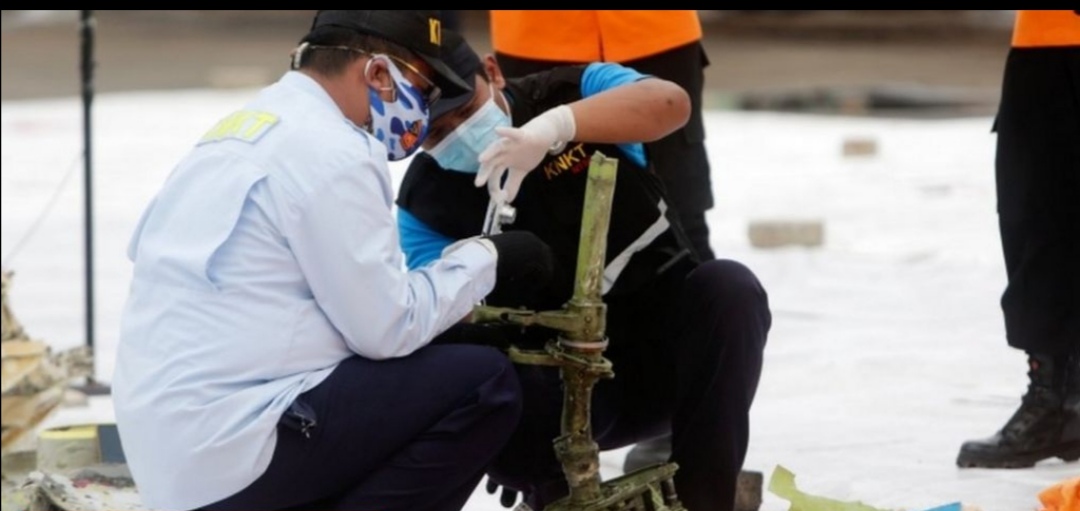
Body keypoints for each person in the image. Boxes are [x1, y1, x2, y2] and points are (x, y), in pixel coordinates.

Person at [111, 11, 552, 511]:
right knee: (483, 383)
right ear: (379, 73)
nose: (425, 113)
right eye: (424, 92)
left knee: (424, 372)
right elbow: (387, 328)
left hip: (176, 452)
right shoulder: (335, 151)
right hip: (236, 448)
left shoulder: (242, 129)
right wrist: (488, 257)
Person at [396, 31, 771, 511]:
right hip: (553, 392)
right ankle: (551, 497)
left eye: (467, 111)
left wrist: (558, 126)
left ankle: (705, 500)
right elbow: (444, 323)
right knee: (482, 377)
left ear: (492, 72)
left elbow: (670, 102)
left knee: (730, 288)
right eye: (436, 133)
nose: (460, 134)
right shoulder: (424, 204)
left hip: (662, 360)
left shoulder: (570, 92)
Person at [489, 10, 717, 470]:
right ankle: (547, 426)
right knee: (536, 224)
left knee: (680, 223)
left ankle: (691, 423)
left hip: (653, 32)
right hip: (537, 35)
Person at [956, 10, 1079, 469]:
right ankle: (1058, 401)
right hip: (1045, 41)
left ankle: (1058, 403)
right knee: (1036, 219)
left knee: (1046, 218)